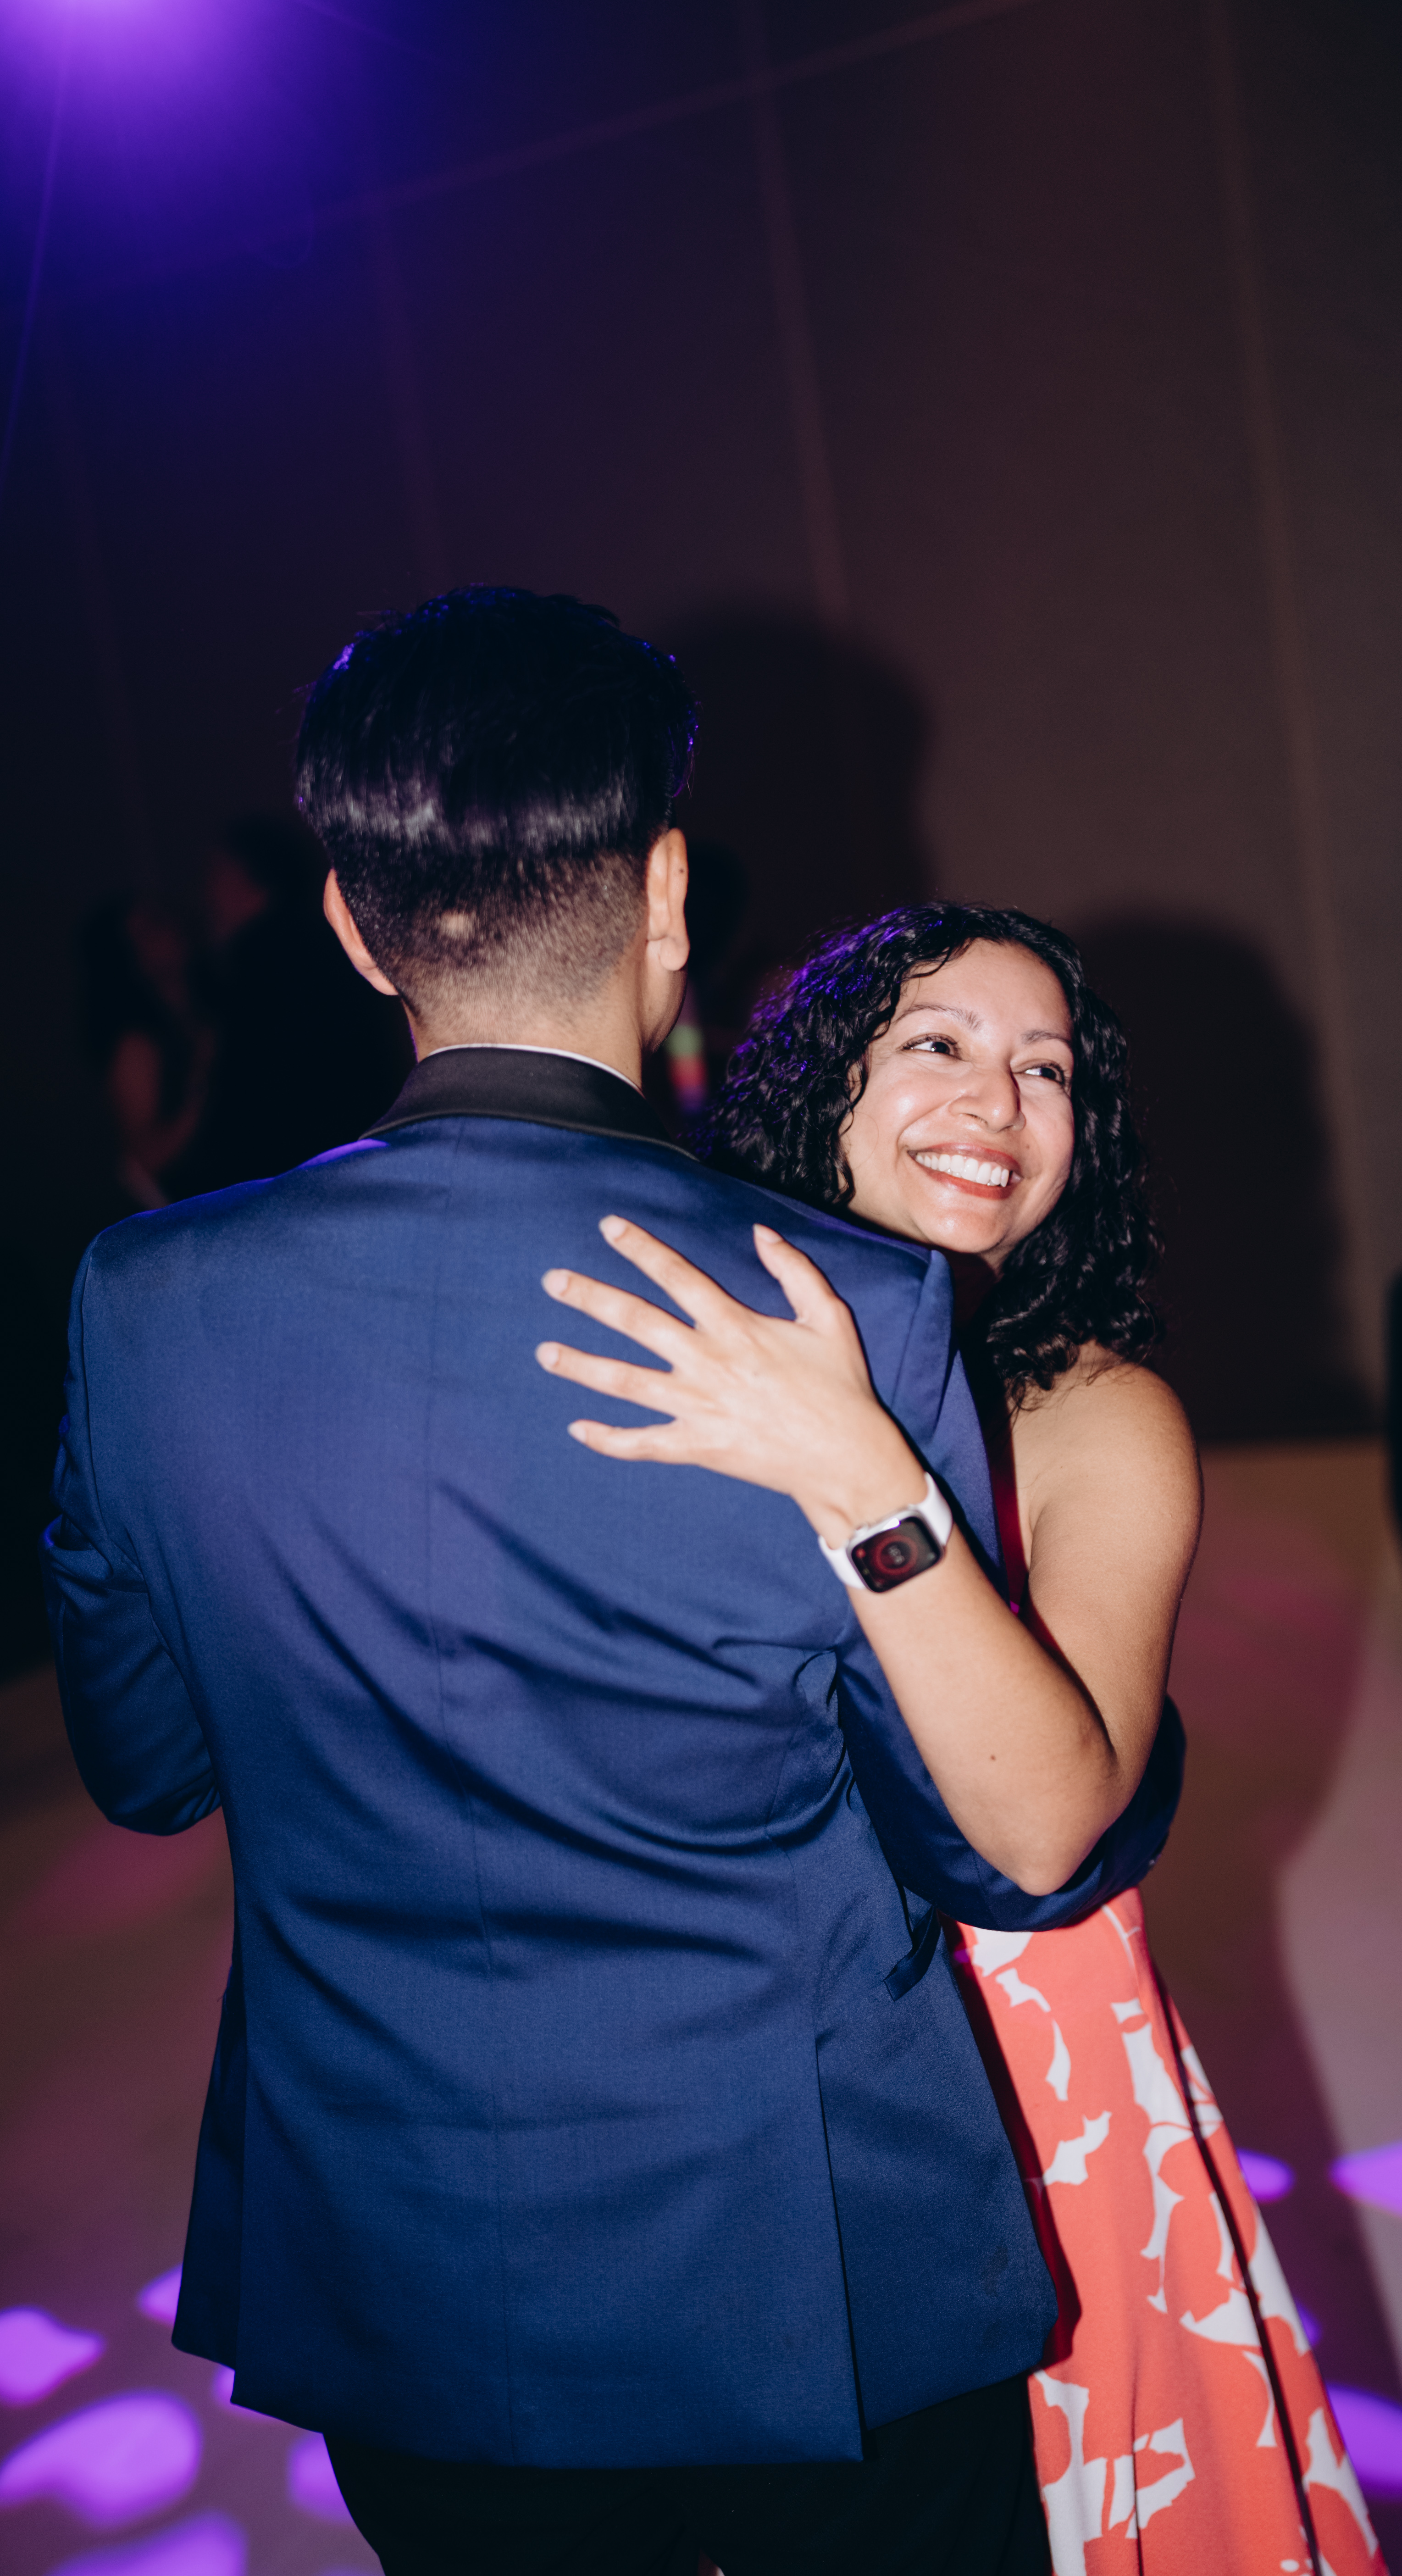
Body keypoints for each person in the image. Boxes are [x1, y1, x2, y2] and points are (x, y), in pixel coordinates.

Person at [42, 588, 1183, 2576]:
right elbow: (988, 1846)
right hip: (811, 2259)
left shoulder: (144, 1302)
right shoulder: (843, 1305)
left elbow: (143, 1764)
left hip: (398, 2267)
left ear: (352, 923)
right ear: (665, 895)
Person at [533, 904, 1385, 2576]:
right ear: (823, 1084)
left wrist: (861, 1473)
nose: (997, 1102)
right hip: (728, 2038)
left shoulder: (1095, 1412)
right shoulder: (699, 1354)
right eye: (938, 1043)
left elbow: (1049, 1823)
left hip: (1017, 2054)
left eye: (1046, 1070)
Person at [162, 810, 411, 1195]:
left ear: (252, 879)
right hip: (354, 1156)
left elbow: (254, 1096)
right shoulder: (318, 949)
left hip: (294, 1178)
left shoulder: (256, 968)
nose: (205, 892)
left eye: (215, 876)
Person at [78, 892, 211, 1207]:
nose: (171, 929)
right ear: (129, 958)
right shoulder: (136, 1045)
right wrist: (206, 1087)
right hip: (190, 1209)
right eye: (151, 929)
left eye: (163, 918)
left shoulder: (206, 1013)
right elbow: (143, 1159)